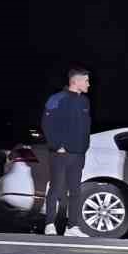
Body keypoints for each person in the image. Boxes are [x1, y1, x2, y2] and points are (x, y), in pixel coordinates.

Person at [40, 67, 91, 237]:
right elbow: (47, 124)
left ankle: (72, 227)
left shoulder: (85, 102)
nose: (88, 84)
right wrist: (57, 146)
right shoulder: (57, 99)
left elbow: (85, 128)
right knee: (55, 188)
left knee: (76, 191)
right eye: (86, 81)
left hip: (78, 154)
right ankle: (49, 224)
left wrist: (84, 149)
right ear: (75, 81)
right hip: (60, 153)